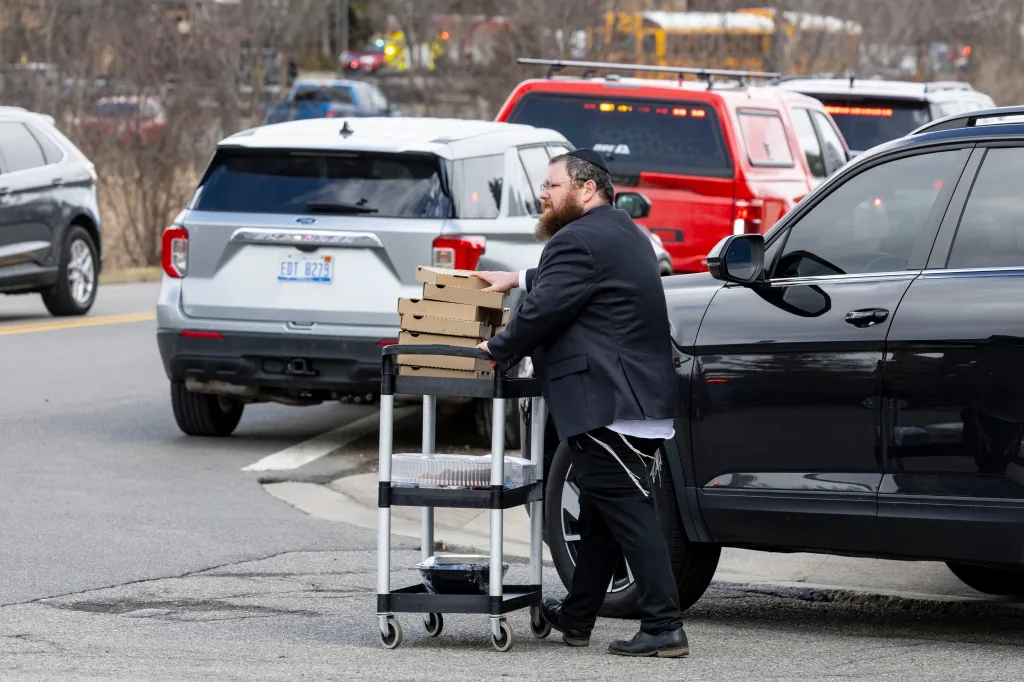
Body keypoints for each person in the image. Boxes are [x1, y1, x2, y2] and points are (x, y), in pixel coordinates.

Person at [473, 149, 687, 658]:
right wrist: (517, 278)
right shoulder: (623, 232)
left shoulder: (577, 239)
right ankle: (578, 618)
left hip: (605, 400)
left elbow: (547, 307)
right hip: (635, 397)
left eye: (551, 186)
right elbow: (573, 279)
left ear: (586, 189)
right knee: (598, 514)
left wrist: (495, 350)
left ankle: (664, 624)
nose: (543, 196)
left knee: (626, 511)